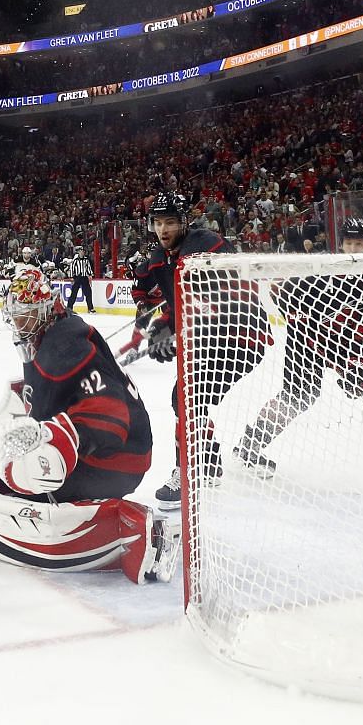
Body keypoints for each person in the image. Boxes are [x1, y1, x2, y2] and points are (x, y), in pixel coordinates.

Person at [0, 267, 174, 583]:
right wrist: (24, 400)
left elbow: (111, 416)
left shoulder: (65, 347)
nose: (17, 324)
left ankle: (124, 523)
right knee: (21, 474)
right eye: (14, 317)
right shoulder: (54, 337)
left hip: (118, 459)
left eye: (23, 316)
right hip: (113, 451)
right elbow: (60, 394)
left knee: (36, 474)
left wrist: (54, 436)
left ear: (44, 312)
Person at [232, 216, 363, 475]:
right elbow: (280, 293)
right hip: (305, 341)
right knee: (301, 396)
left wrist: (356, 366)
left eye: (360, 244)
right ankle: (250, 445)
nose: (354, 250)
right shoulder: (321, 269)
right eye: (349, 243)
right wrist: (307, 328)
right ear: (341, 244)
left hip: (349, 343)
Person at [131, 192, 263, 508]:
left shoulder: (207, 245)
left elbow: (234, 298)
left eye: (171, 222)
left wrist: (182, 331)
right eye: (158, 223)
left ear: (185, 222)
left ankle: (191, 470)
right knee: (188, 399)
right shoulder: (160, 258)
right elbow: (170, 302)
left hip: (241, 338)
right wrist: (162, 326)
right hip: (207, 339)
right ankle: (209, 461)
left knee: (186, 397)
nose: (163, 229)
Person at [64, 244, 94, 312]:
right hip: (77, 278)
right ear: (78, 252)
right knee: (74, 293)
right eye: (81, 251)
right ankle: (69, 308)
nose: (82, 252)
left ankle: (90, 308)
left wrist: (90, 275)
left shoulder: (86, 260)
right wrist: (71, 277)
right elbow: (72, 268)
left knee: (88, 293)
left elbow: (88, 268)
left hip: (84, 278)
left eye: (83, 251)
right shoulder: (75, 260)